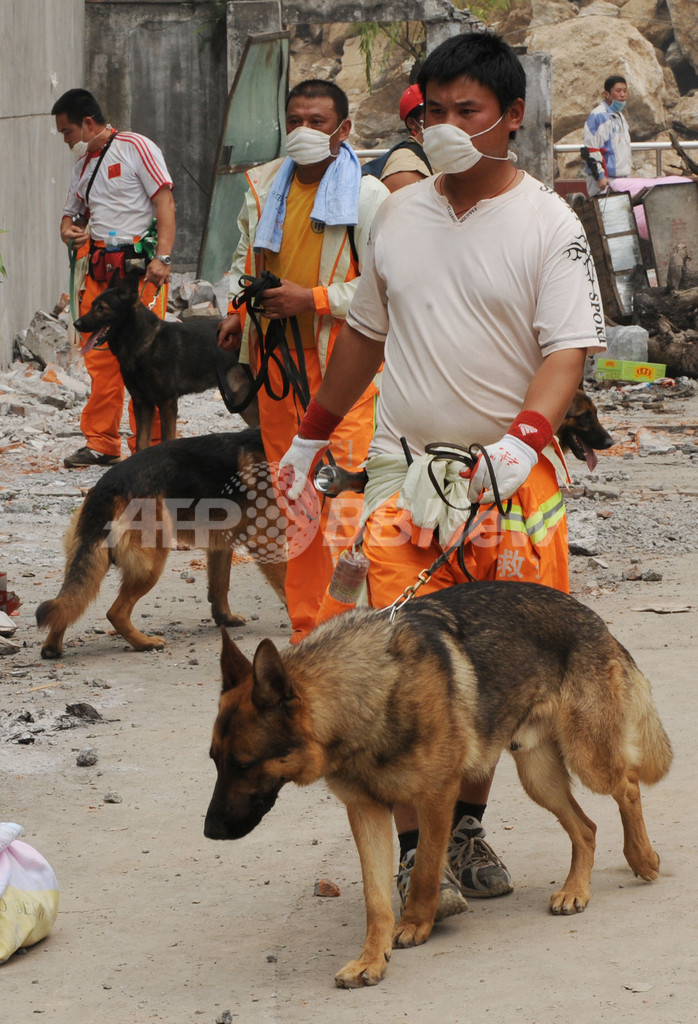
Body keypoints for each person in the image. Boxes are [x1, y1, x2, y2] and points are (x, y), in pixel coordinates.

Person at [279, 33, 606, 918]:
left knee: (494, 668)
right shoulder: (397, 216)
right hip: (406, 479)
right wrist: (310, 441)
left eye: (470, 111)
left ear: (513, 115)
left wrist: (522, 442)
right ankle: (416, 852)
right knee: (399, 662)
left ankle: (463, 827)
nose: (449, 127)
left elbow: (567, 352)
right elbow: (365, 336)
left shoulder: (549, 225)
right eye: (435, 112)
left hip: (511, 486)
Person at [217, 80, 389, 644]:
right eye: (295, 120)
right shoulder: (265, 185)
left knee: (341, 497)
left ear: (344, 130)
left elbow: (384, 287)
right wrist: (238, 312)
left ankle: (348, 630)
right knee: (294, 497)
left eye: (318, 121)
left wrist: (311, 299)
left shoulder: (367, 198)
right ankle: (307, 630)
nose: (304, 131)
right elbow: (246, 258)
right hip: (276, 368)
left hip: (343, 369)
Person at [53, 88, 175, 467]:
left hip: (139, 273)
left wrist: (163, 258)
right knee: (100, 356)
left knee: (147, 356)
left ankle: (154, 447)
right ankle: (102, 443)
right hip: (100, 270)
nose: (66, 140)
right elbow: (70, 217)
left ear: (88, 123)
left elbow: (164, 202)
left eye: (67, 131)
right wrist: (68, 231)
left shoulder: (136, 148)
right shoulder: (82, 166)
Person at [362, 83, 433, 192]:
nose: (449, 120)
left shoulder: (438, 155)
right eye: (437, 112)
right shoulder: (407, 169)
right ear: (412, 123)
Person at [583, 75, 631, 196]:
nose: (622, 95)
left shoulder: (619, 116)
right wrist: (600, 176)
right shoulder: (598, 116)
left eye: (625, 91)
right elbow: (591, 149)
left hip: (622, 179)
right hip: (605, 180)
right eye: (618, 91)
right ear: (607, 94)